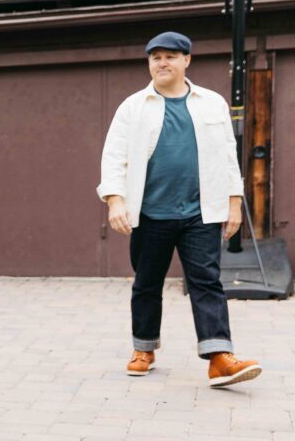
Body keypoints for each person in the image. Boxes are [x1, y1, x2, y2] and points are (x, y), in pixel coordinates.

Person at [97, 31, 262, 387]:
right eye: (155, 57)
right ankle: (144, 348)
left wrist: (234, 202)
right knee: (146, 283)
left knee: (206, 282)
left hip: (200, 213)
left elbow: (227, 158)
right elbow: (114, 157)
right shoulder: (132, 106)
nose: (162, 62)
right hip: (150, 214)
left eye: (170, 56)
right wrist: (115, 200)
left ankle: (219, 357)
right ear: (149, 63)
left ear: (187, 60)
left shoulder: (212, 103)